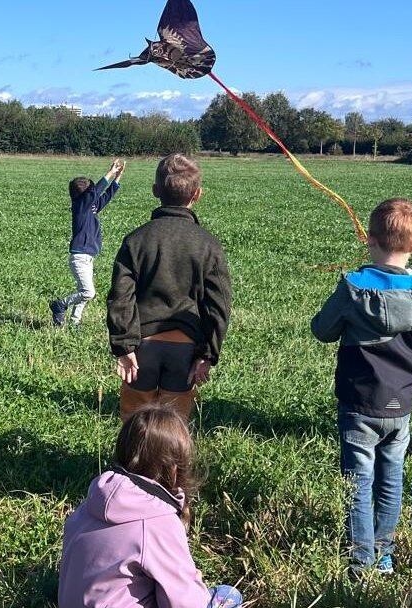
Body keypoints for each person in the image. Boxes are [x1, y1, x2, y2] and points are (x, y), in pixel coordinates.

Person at [310, 199, 412, 575]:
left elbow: (322, 330)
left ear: (370, 239)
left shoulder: (353, 287)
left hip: (359, 400)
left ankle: (361, 557)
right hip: (402, 400)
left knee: (359, 481)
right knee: (391, 476)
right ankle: (384, 553)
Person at [58, 406, 243, 608]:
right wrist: (195, 583)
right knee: (228, 596)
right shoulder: (158, 521)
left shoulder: (93, 500)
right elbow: (185, 604)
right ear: (174, 467)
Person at [107, 154, 232, 421]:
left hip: (142, 347)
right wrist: (208, 354)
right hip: (185, 350)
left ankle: (131, 463)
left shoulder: (135, 240)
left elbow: (120, 297)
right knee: (173, 425)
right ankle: (169, 464)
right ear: (197, 194)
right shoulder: (209, 245)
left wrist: (124, 346)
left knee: (135, 420)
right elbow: (219, 306)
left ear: (155, 191)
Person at [51, 159, 126, 327]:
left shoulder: (90, 207)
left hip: (88, 257)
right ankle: (60, 304)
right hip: (80, 257)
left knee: (83, 292)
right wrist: (110, 172)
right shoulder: (80, 206)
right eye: (90, 190)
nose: (93, 192)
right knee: (88, 292)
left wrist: (117, 178)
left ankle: (75, 322)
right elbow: (96, 191)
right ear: (85, 195)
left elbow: (105, 196)